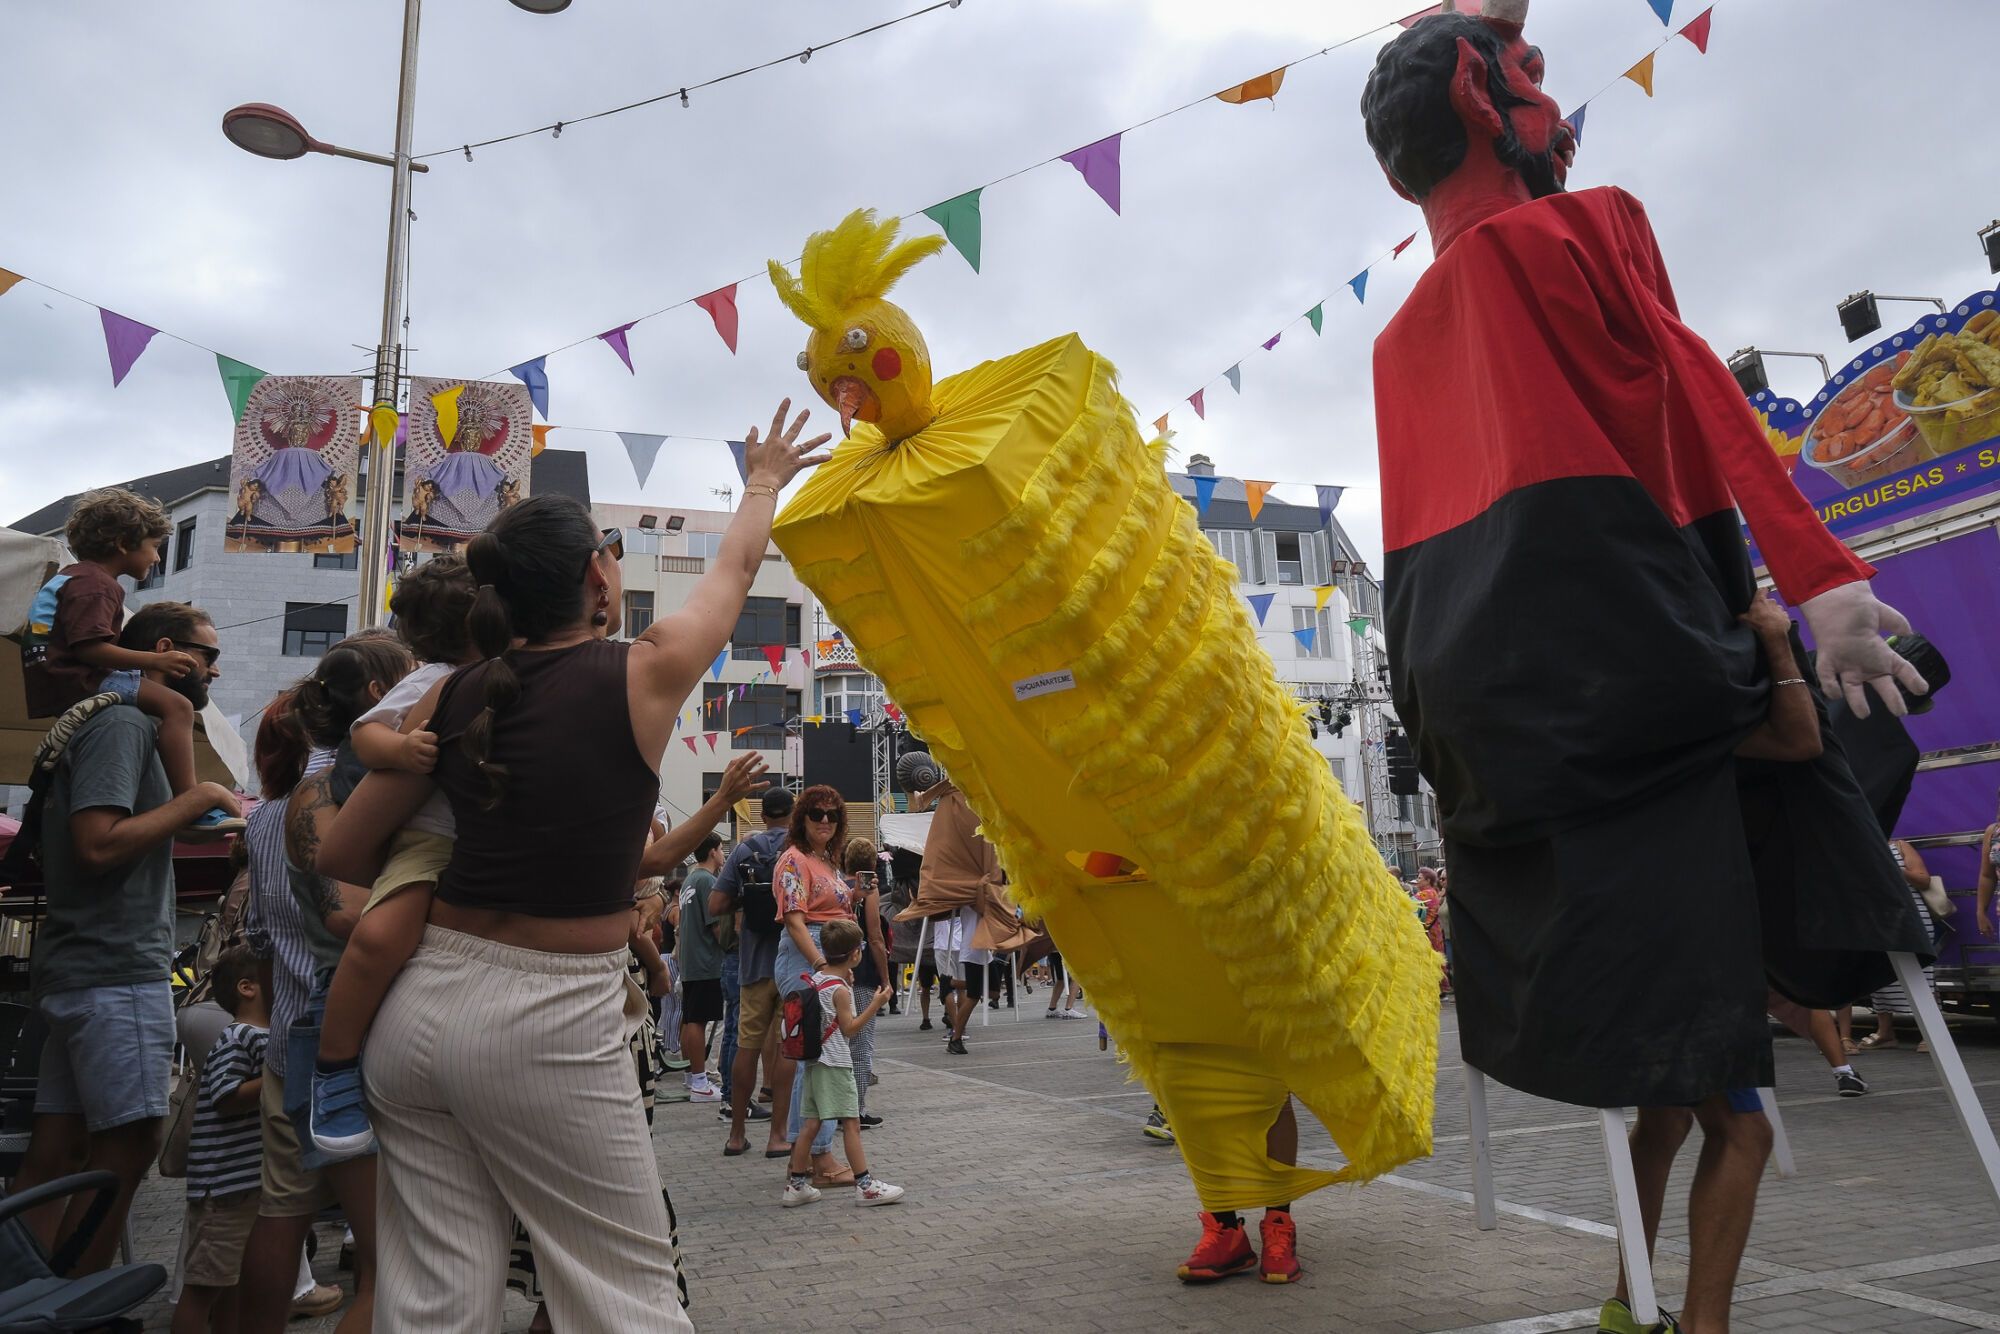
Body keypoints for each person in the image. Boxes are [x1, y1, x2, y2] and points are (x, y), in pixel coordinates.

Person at [1363, 11, 1930, 1331]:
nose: (1555, 103)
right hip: (1630, 609)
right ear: (1491, 103)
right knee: (1827, 719)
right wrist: (1811, 578)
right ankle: (1697, 1321)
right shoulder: (1587, 224)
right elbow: (1689, 383)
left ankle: (1635, 1297)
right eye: (1532, 79)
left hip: (1491, 686)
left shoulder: (1399, 338)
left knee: (1674, 1105)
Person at [317, 402, 827, 1331]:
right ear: (600, 574)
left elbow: (341, 852)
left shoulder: (454, 692)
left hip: (418, 1009)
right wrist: (762, 479)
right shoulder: (640, 670)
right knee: (625, 1299)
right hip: (550, 1019)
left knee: (431, 1304)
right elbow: (738, 567)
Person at [10, 600, 238, 1275]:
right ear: (166, 648)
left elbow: (148, 824)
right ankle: (80, 1305)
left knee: (58, 1154)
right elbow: (99, 845)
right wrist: (198, 800)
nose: (214, 671)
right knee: (133, 1142)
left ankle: (24, 1295)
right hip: (113, 968)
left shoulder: (117, 724)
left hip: (82, 967)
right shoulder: (123, 724)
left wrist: (231, 821)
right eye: (208, 655)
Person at [234, 639, 412, 1334]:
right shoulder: (353, 794)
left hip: (288, 1033)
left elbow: (262, 935)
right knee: (381, 1258)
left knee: (280, 1213)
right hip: (349, 1036)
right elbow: (343, 914)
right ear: (375, 694)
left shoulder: (264, 816)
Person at [306, 556, 479, 1153]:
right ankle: (334, 1068)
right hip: (429, 841)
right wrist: (403, 751)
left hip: (488, 841)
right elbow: (366, 734)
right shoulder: (431, 679)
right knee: (379, 937)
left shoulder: (520, 673)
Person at [23, 488, 240, 833]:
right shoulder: (97, 584)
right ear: (124, 543)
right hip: (78, 677)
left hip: (56, 679)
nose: (157, 558)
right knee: (179, 708)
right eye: (154, 547)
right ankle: (191, 799)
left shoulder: (73, 579)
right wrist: (157, 662)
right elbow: (89, 649)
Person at [171, 945, 269, 1334]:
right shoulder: (238, 1037)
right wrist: (276, 1078)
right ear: (248, 987)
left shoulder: (264, 1034)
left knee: (234, 1286)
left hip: (247, 1186)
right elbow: (226, 1097)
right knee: (204, 1289)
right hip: (223, 1191)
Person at [780, 918, 904, 1209]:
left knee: (811, 1123)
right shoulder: (841, 990)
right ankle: (865, 1185)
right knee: (851, 1123)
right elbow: (849, 1029)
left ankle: (796, 1185)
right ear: (855, 954)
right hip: (835, 1063)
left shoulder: (818, 978)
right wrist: (874, 1004)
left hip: (813, 1061)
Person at [774, 785, 860, 1184]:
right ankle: (819, 1158)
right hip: (806, 958)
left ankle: (808, 1156)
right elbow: (795, 921)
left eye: (832, 815)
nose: (825, 820)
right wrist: (824, 965)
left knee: (817, 1060)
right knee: (817, 1060)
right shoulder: (793, 860)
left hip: (824, 962)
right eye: (816, 814)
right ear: (802, 818)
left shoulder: (826, 860)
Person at [716, 788, 795, 1157]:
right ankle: (778, 1136)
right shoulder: (800, 850)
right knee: (784, 1048)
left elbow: (716, 903)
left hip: (753, 964)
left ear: (763, 816)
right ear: (793, 815)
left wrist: (746, 898)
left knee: (746, 1046)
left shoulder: (745, 850)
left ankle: (736, 1134)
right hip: (792, 964)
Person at [1861, 839, 1937, 1052]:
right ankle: (1885, 1033)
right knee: (1879, 977)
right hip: (1876, 919)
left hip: (1911, 918)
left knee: (1921, 974)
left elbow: (1924, 880)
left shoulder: (1899, 845)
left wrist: (1895, 869)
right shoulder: (1858, 845)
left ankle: (1930, 1034)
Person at [677, 834, 729, 1103]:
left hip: (690, 961)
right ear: (712, 852)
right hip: (706, 961)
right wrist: (732, 948)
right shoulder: (708, 881)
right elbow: (717, 925)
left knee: (690, 1018)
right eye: (721, 849)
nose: (723, 855)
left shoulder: (689, 879)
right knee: (698, 1020)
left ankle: (691, 1076)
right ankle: (700, 1081)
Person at [842, 838, 889, 1125]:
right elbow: (874, 935)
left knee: (838, 1042)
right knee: (861, 1044)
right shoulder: (869, 890)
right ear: (872, 864)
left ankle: (835, 1106)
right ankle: (854, 1109)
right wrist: (885, 978)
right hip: (862, 973)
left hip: (835, 971)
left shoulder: (836, 883)